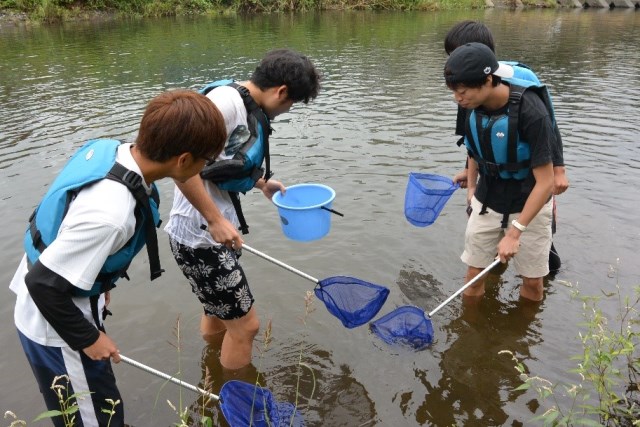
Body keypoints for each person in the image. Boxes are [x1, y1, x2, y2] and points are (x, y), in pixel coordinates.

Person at [10, 89, 227, 426]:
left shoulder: (115, 150)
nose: (205, 167)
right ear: (184, 160)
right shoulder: (111, 213)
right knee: (95, 419)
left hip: (67, 297)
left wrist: (92, 275)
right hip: (54, 326)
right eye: (206, 161)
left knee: (105, 409)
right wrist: (90, 338)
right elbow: (41, 284)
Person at [164, 48, 321, 372]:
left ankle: (213, 375)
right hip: (200, 235)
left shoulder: (241, 104)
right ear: (281, 91)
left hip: (206, 233)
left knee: (217, 313)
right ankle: (236, 404)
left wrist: (260, 182)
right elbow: (178, 166)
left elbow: (221, 159)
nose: (286, 110)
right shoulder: (224, 103)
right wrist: (215, 219)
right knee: (246, 326)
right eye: (290, 104)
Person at [444, 20, 568, 273]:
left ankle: (545, 267)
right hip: (493, 189)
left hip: (531, 179)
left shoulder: (521, 83)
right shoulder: (465, 90)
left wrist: (559, 169)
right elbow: (475, 139)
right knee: (489, 261)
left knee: (541, 252)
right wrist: (470, 179)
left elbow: (549, 126)